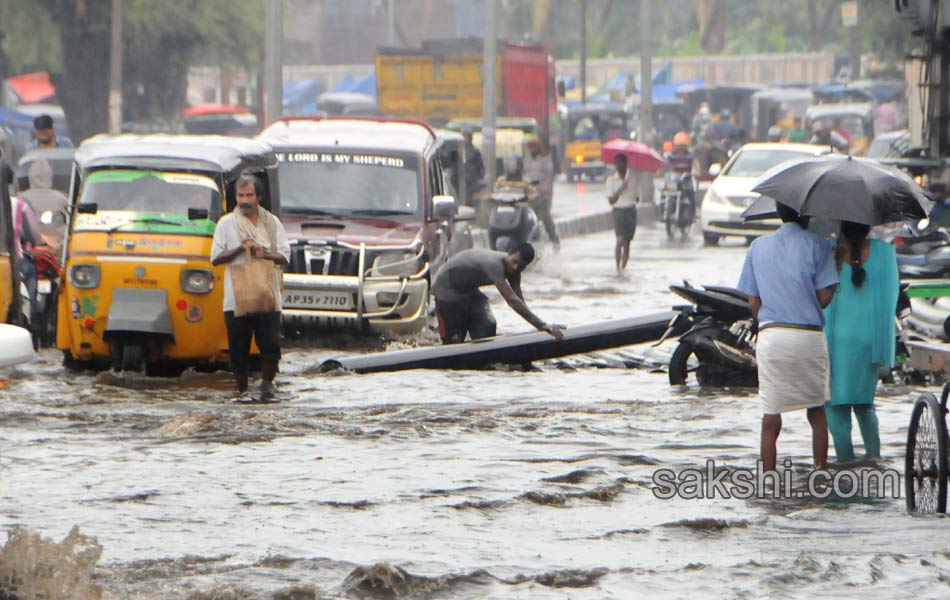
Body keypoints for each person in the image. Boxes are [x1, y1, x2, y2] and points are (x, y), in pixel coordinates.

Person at [737, 202, 839, 471]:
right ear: (807, 215)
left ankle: (768, 476)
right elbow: (825, 297)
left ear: (778, 213)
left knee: (771, 417)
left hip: (773, 337)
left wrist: (769, 318)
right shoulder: (820, 245)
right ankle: (820, 472)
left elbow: (752, 301)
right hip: (808, 336)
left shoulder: (758, 246)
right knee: (817, 412)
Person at [210, 173, 290, 401]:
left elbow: (285, 255)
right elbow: (215, 257)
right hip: (236, 298)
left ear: (259, 197)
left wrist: (265, 254)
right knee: (238, 349)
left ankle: (267, 386)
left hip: (268, 294)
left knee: (271, 346)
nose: (244, 200)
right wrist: (239, 249)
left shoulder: (272, 223)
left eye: (249, 195)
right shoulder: (226, 223)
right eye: (240, 195)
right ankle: (242, 391)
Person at [823, 221, 899, 462]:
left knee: (836, 407)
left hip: (836, 341)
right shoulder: (884, 252)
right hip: (870, 340)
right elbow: (891, 300)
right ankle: (874, 462)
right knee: (865, 406)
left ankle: (846, 464)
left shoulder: (829, 251)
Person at [431, 244, 564, 344]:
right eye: (514, 262)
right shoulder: (494, 264)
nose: (515, 268)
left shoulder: (515, 272)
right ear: (509, 253)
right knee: (454, 341)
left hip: (470, 292)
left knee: (487, 326)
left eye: (521, 266)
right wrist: (542, 325)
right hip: (445, 291)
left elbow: (519, 301)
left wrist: (544, 327)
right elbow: (512, 301)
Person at [18, 158, 68, 256]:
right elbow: (70, 224)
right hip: (56, 253)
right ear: (50, 176)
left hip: (28, 253)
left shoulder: (20, 200)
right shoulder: (62, 199)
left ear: (30, 177)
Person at [606, 153, 640, 275]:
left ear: (625, 164)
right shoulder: (611, 180)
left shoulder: (633, 178)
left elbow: (637, 198)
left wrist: (631, 193)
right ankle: (617, 268)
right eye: (616, 163)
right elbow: (611, 200)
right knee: (619, 240)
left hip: (630, 211)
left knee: (627, 242)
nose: (618, 165)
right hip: (618, 211)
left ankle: (623, 268)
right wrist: (621, 188)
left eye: (621, 163)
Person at [523, 137, 560, 248]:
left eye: (533, 147)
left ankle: (553, 238)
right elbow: (524, 175)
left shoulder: (545, 159)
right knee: (530, 218)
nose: (531, 150)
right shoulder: (527, 161)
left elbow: (550, 176)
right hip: (531, 194)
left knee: (545, 217)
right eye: (529, 148)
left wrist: (544, 189)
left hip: (544, 194)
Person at [460, 127, 485, 206]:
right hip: (459, 185)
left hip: (472, 186)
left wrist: (476, 178)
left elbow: (481, 169)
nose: (465, 139)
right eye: (464, 136)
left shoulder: (475, 152)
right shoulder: (457, 151)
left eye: (467, 136)